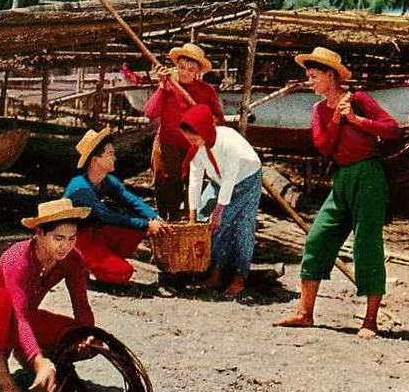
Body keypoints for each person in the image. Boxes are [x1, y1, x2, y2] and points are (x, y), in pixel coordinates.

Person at [274, 47, 402, 339]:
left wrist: (357, 120)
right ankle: (305, 313)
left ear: (331, 75)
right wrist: (336, 120)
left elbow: (393, 129)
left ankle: (370, 320)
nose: (310, 81)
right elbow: (324, 146)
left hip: (369, 174)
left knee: (367, 243)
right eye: (308, 75)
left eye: (315, 75)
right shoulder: (319, 110)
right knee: (318, 237)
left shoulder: (359, 99)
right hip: (343, 176)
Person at [0, 199, 96, 392]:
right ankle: (4, 378)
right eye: (58, 238)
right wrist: (38, 359)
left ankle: (28, 356)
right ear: (40, 233)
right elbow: (19, 315)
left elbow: (81, 305)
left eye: (72, 238)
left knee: (77, 334)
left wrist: (89, 334)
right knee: (0, 299)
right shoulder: (17, 258)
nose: (66, 246)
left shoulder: (73, 259)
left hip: (25, 320)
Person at [63, 127, 168, 284]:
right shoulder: (81, 188)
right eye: (110, 154)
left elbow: (130, 199)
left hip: (94, 233)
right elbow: (107, 215)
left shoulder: (107, 180)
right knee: (123, 273)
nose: (115, 158)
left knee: (134, 230)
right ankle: (78, 263)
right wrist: (147, 225)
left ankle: (103, 259)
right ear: (95, 160)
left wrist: (154, 216)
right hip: (75, 239)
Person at [179, 103, 263, 297]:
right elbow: (195, 179)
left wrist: (219, 210)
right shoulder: (198, 148)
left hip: (245, 180)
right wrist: (192, 212)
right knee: (203, 219)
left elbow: (230, 177)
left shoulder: (228, 143)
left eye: (194, 138)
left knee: (240, 225)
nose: (192, 143)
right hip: (219, 181)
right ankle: (214, 270)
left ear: (205, 130)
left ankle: (239, 277)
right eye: (189, 139)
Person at [143, 42, 225, 219]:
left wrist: (207, 123)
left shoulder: (206, 91)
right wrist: (162, 88)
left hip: (193, 149)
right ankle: (168, 228)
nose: (185, 72)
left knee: (193, 193)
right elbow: (150, 112)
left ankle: (190, 229)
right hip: (167, 146)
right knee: (166, 191)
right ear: (176, 66)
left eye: (190, 68)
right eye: (181, 67)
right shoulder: (168, 85)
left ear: (198, 71)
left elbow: (218, 119)